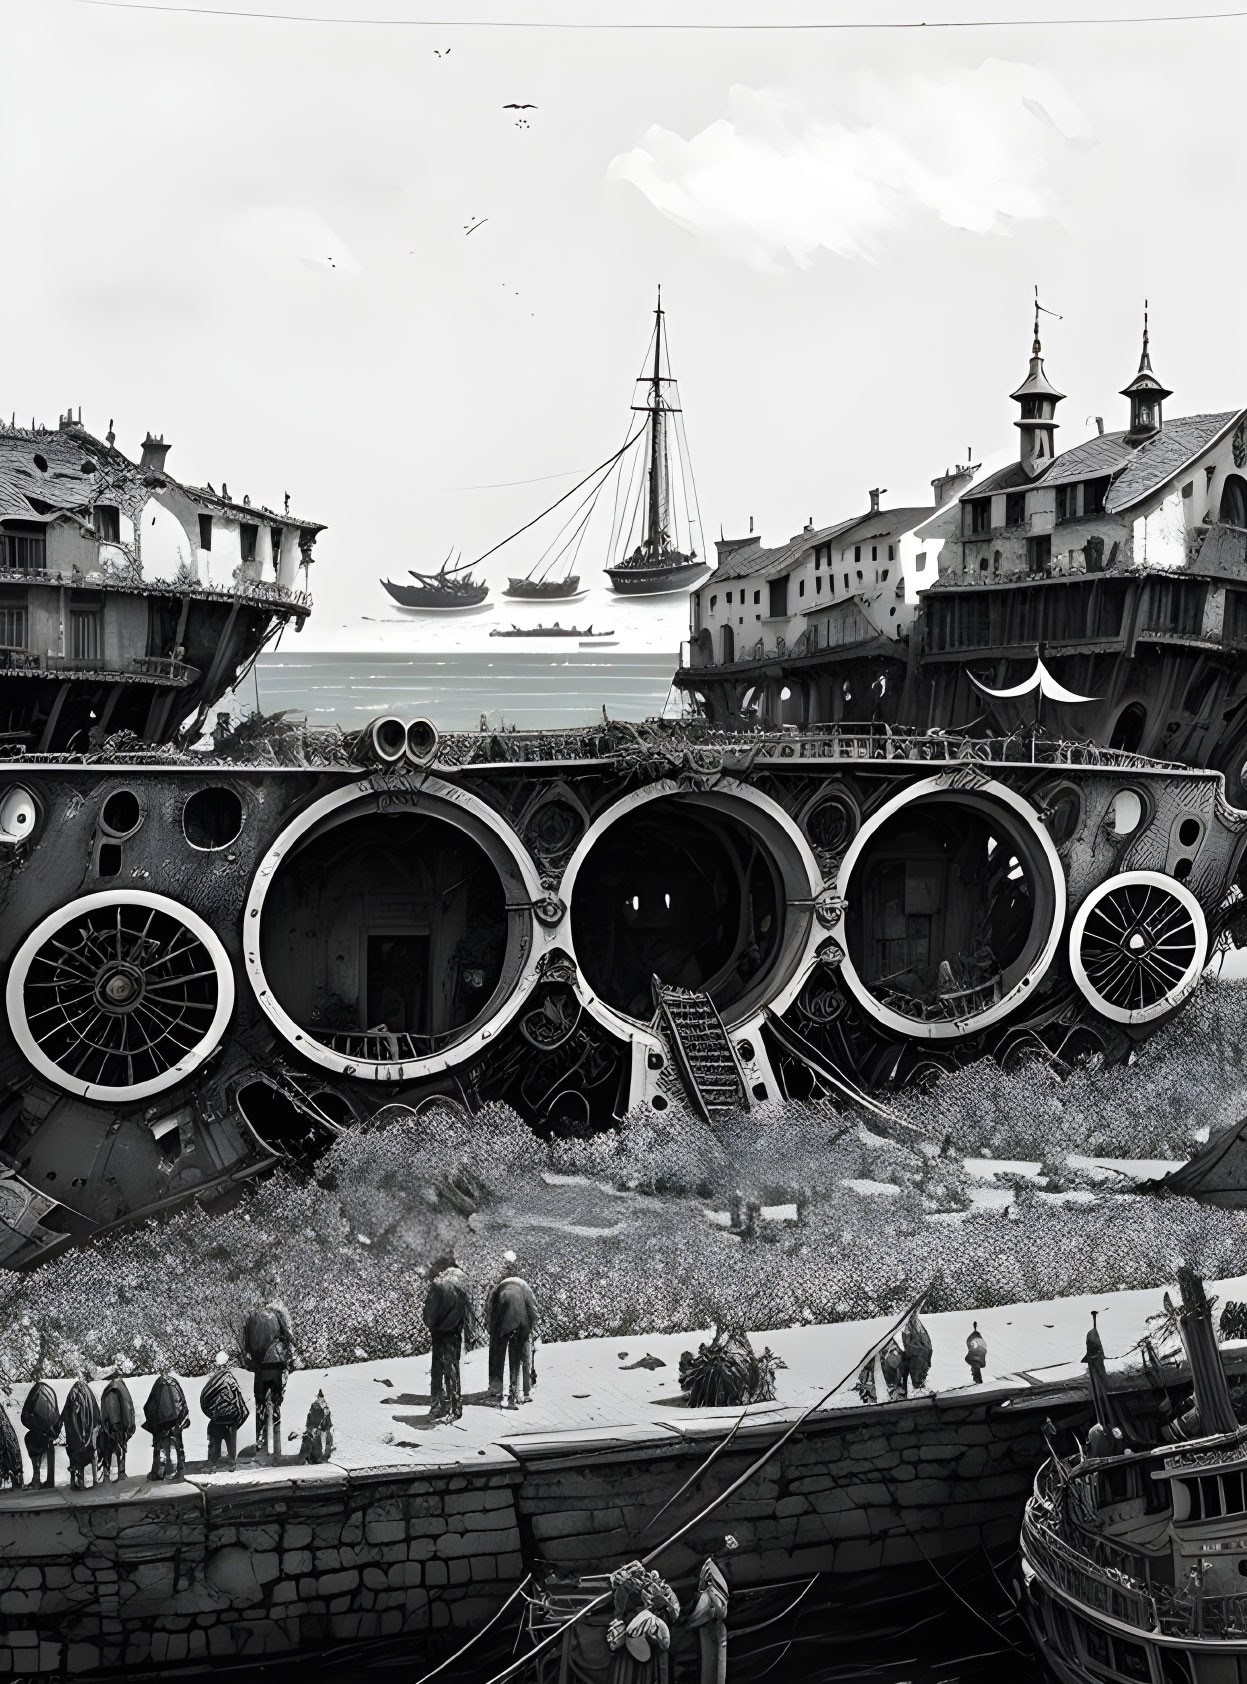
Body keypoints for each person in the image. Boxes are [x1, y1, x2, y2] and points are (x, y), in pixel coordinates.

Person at [423, 1254, 472, 1422]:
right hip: (456, 1332)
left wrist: (433, 1326)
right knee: (453, 1369)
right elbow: (468, 1312)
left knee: (438, 1370)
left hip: (440, 1334)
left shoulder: (437, 1285)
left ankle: (438, 1406)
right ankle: (456, 1407)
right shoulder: (461, 1286)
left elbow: (428, 1314)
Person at [486, 1252, 538, 1409]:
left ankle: (497, 1390)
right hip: (521, 1322)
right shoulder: (524, 1285)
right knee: (522, 1356)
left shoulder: (498, 1287)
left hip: (502, 1323)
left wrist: (492, 1331)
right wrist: (530, 1329)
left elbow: (489, 1310)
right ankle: (522, 1391)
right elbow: (533, 1309)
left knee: (497, 1355)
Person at [243, 1300, 295, 1456]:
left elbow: (245, 1345)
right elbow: (288, 1337)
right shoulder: (278, 1315)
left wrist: (250, 1361)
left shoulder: (250, 1318)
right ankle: (277, 1443)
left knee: (260, 1403)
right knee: (276, 1402)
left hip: (259, 1366)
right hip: (276, 1363)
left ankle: (260, 1440)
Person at [200, 1354, 250, 1471]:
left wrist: (212, 1413)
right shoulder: (230, 1379)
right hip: (230, 1421)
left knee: (215, 1442)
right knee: (230, 1442)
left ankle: (213, 1461)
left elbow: (205, 1399)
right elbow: (238, 1400)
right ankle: (231, 1461)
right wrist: (238, 1415)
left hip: (217, 1420)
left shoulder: (213, 1381)